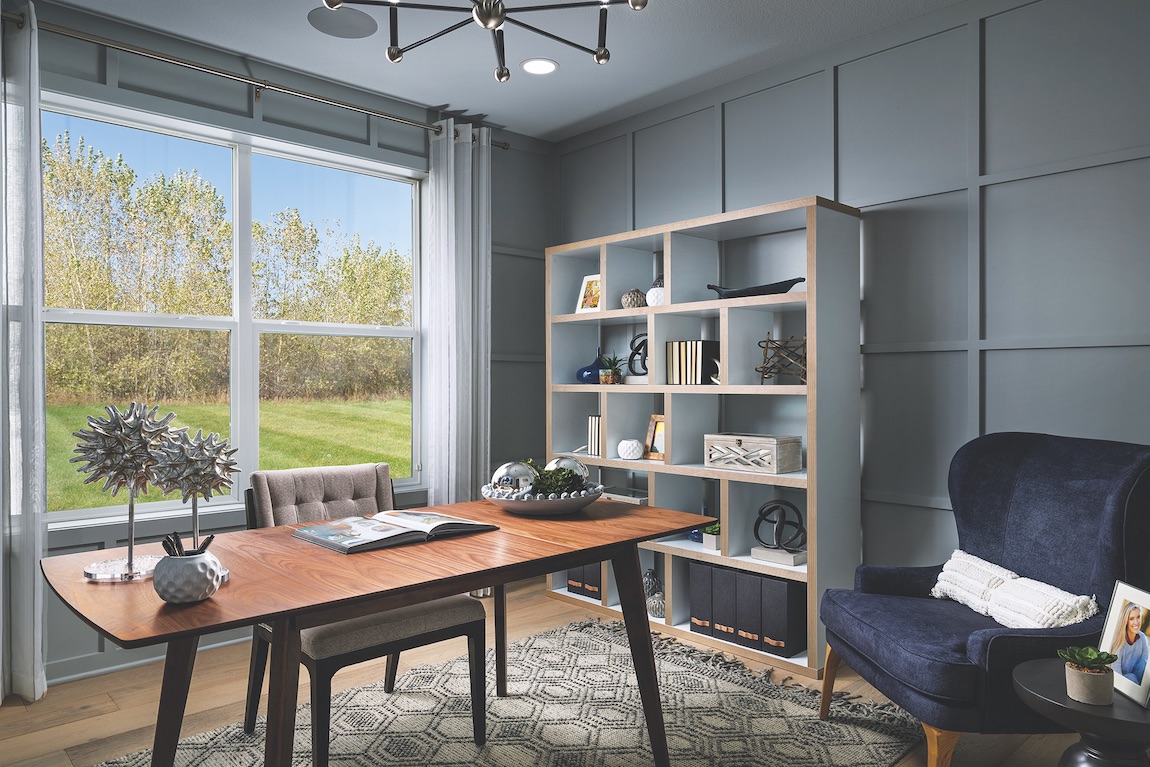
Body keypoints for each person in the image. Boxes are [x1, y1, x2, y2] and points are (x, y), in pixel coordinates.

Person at [1110, 602, 1149, 685]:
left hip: (1138, 679)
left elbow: (1145, 665)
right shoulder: (1119, 642)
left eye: (1138, 617)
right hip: (1123, 682)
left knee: (1144, 664)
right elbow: (1116, 676)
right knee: (1132, 677)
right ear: (1126, 621)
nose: (1136, 622)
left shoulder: (1142, 638)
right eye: (1131, 619)